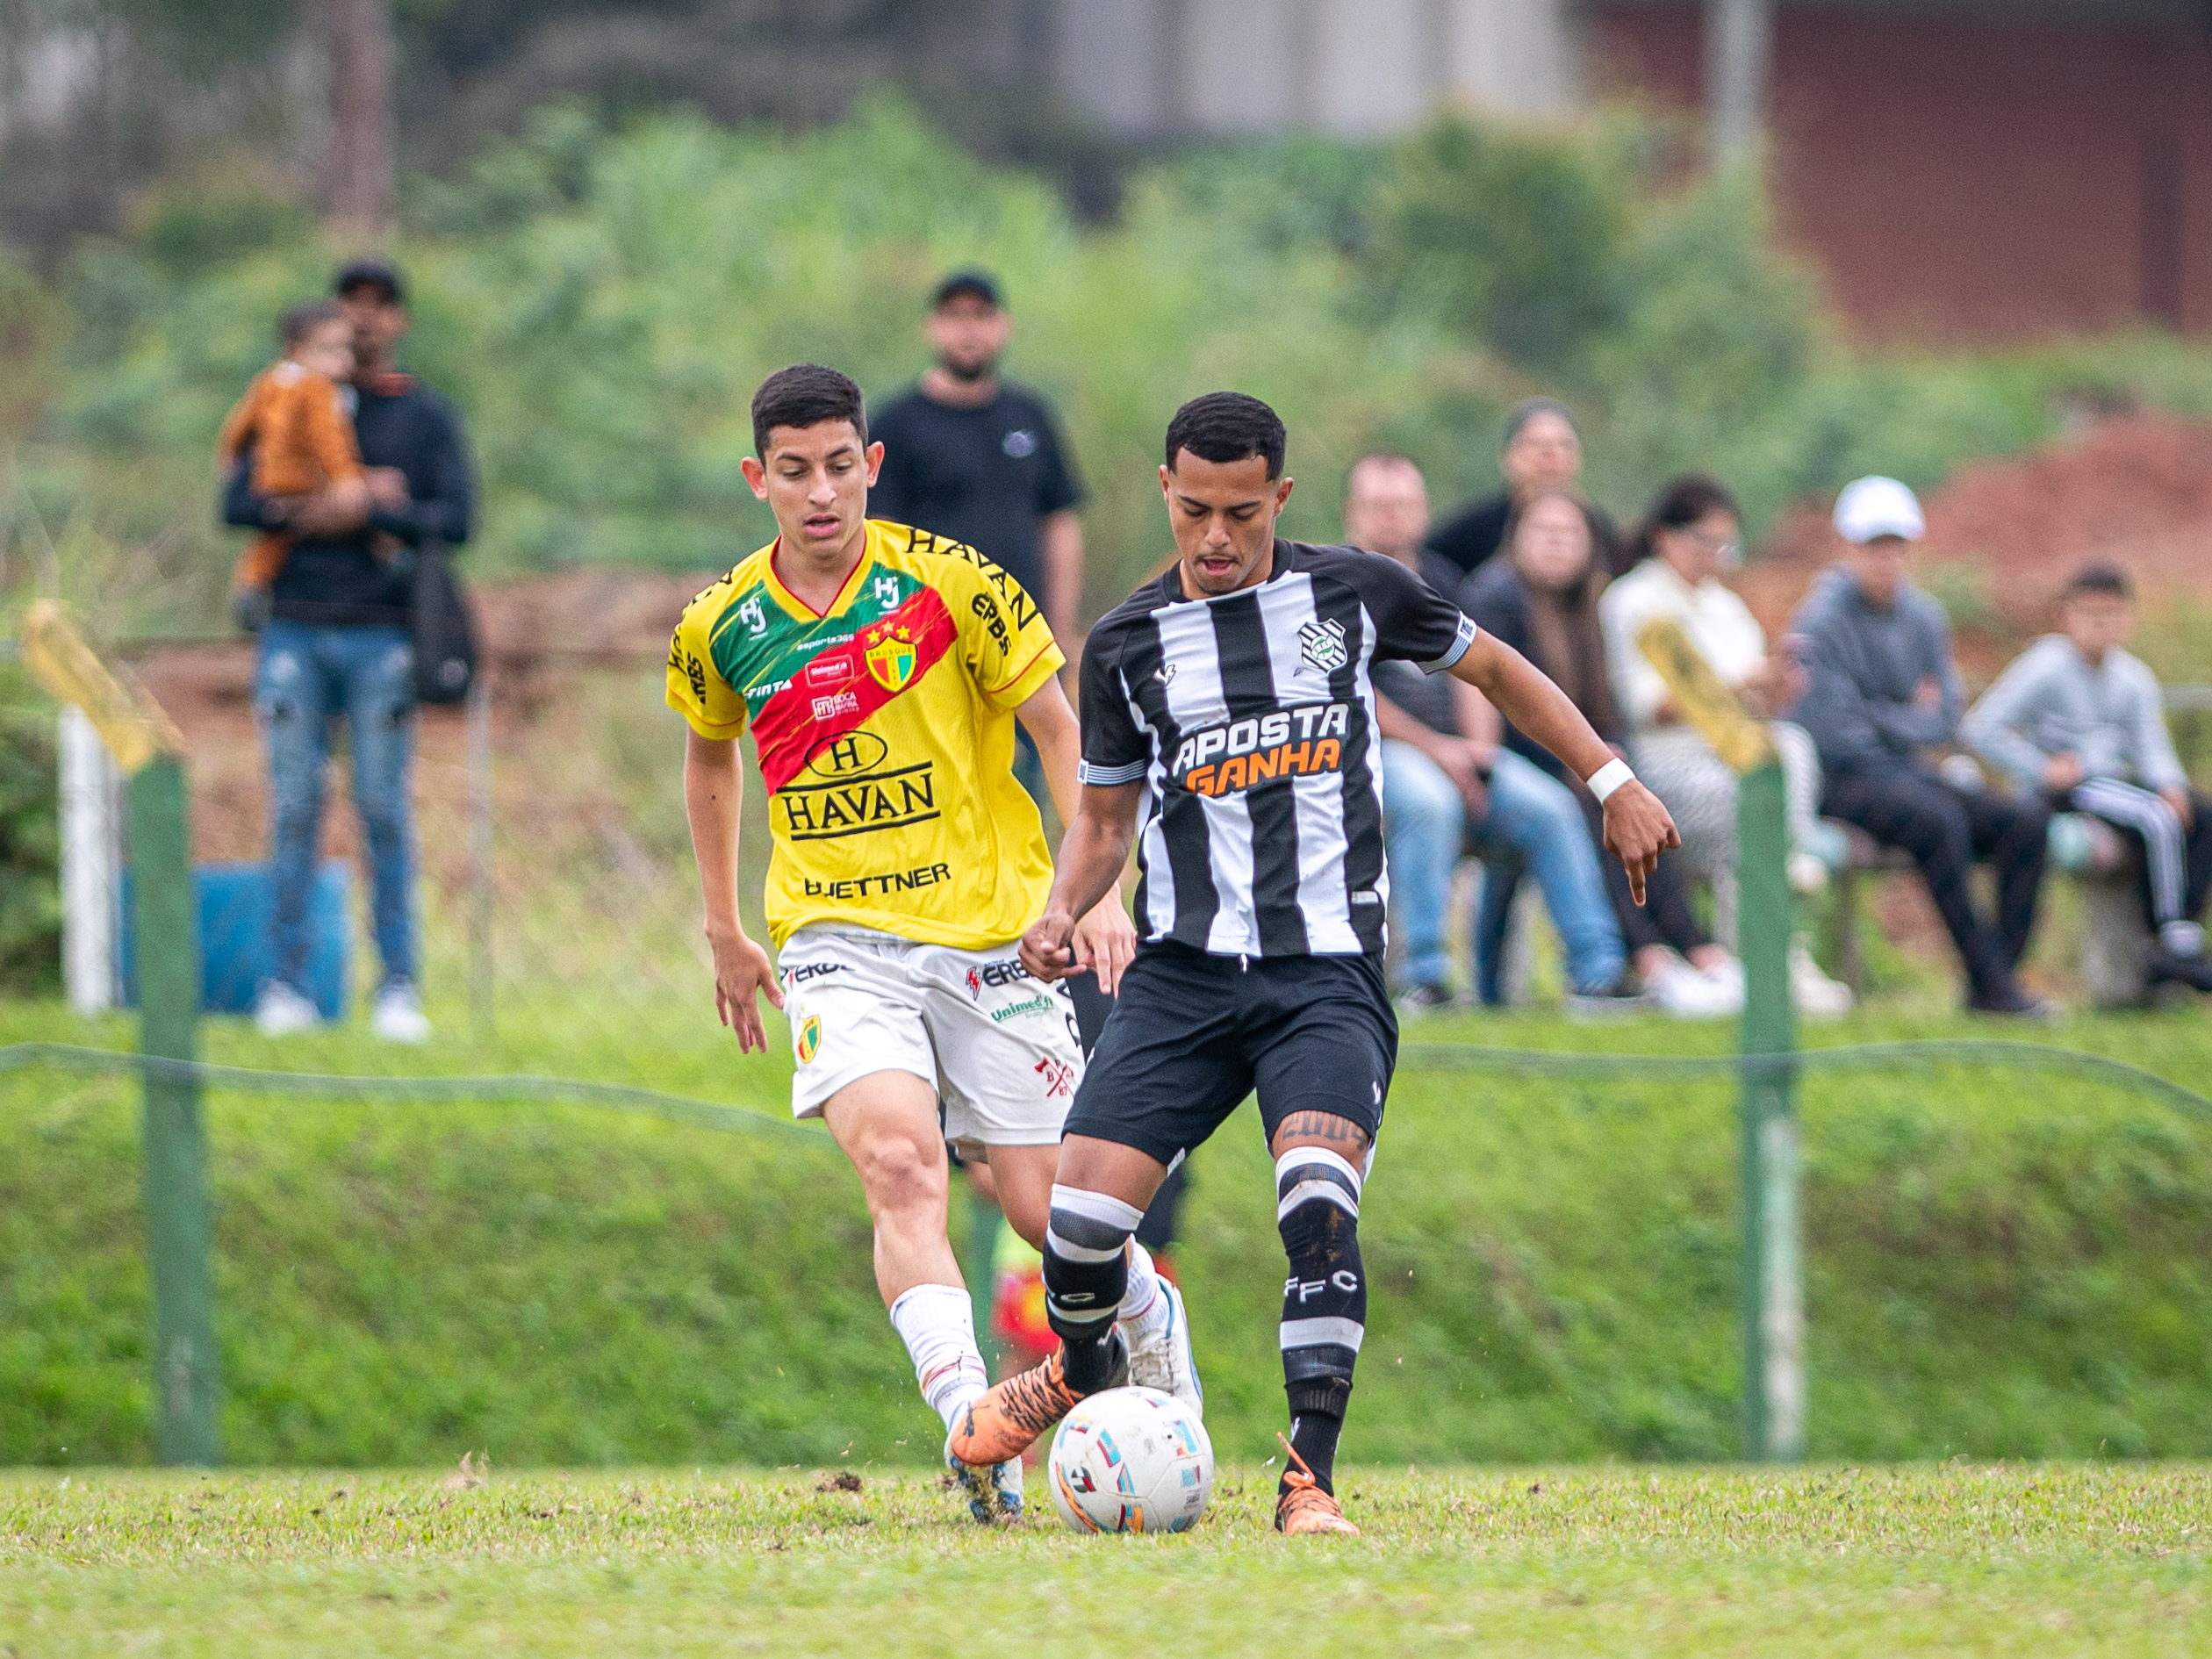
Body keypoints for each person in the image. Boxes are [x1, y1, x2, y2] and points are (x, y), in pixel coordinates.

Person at [946, 392, 1679, 1537]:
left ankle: (1307, 1481)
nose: (1219, 537)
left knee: (1317, 1201)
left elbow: (1499, 672)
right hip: (1183, 980)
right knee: (1077, 1229)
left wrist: (1610, 779)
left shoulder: (1351, 592)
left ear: (1280, 498)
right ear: (1166, 494)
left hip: (1324, 976)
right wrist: (1059, 910)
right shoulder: (1130, 646)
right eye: (1196, 511)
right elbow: (1100, 823)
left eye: (1243, 512)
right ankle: (1084, 1375)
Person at [665, 364, 1189, 1528]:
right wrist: (722, 923)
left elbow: (1065, 733)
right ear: (760, 480)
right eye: (792, 472)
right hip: (837, 942)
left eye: (838, 466)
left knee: (1055, 1218)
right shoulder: (723, 627)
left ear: (872, 466)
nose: (818, 493)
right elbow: (710, 757)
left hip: (993, 936)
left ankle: (1161, 1362)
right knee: (899, 1164)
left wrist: (1098, 887)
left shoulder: (957, 586)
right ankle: (975, 1426)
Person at [222, 257, 474, 1044]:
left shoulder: (426, 415)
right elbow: (236, 499)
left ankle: (398, 987)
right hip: (293, 624)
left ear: (398, 319)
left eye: (380, 305)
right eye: (350, 304)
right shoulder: (288, 394)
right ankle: (284, 984)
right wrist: (330, 507)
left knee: (383, 810)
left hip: (384, 635)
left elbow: (456, 519)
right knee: (293, 807)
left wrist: (369, 507)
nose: (364, 319)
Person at [1345, 452, 1640, 1014]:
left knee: (1551, 807)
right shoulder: (1332, 583)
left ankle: (1597, 975)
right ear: (1351, 512)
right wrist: (1441, 752)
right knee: (1429, 805)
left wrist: (1480, 752)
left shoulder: (1442, 578)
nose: (1392, 517)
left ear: (1424, 511)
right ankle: (1425, 978)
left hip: (1460, 755)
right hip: (1378, 756)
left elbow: (1477, 674)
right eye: (1378, 506)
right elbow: (1352, 694)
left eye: (1403, 505)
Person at [1462, 488, 1742, 1017]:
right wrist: (1587, 764)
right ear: (1515, 540)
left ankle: (1697, 951)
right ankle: (1646, 959)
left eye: (1569, 534)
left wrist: (1612, 760)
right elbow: (1500, 705)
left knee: (1637, 793)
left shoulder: (1588, 604)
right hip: (1521, 763)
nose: (1555, 544)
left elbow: (1605, 707)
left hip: (1580, 760)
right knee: (1600, 803)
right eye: (1542, 532)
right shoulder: (1495, 598)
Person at [1788, 476, 2055, 1018]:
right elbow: (1834, 733)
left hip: (1908, 773)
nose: (1885, 558)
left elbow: (1944, 719)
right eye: (1872, 545)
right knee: (1937, 820)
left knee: (2026, 825)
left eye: (1895, 545)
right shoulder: (1820, 620)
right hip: (1842, 781)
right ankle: (1996, 987)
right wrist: (1907, 714)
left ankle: (1994, 981)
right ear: (1846, 547)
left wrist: (1882, 716)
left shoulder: (1923, 617)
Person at [1600, 474, 1854, 1016]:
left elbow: (1754, 712)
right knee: (1751, 807)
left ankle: (1781, 948)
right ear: (1666, 538)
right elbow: (1646, 705)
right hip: (1669, 767)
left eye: (1725, 544)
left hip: (1736, 758)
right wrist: (1735, 686)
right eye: (1704, 541)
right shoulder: (1634, 602)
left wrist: (1771, 690)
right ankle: (1761, 958)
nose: (1715, 556)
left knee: (1791, 746)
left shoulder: (1726, 606)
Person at [1964, 562, 2212, 992]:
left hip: (2114, 784)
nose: (2100, 626)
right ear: (2068, 616)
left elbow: (2150, 743)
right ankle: (2171, 942)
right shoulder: (2045, 666)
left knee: (2198, 813)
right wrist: (2039, 767)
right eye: (2090, 615)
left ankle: (2180, 931)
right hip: (2066, 790)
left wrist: (2171, 783)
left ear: (2127, 618)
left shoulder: (2133, 677)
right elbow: (1981, 727)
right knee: (2155, 817)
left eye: (2110, 615)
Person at [870, 270, 1085, 686]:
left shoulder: (1030, 415)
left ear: (1003, 326)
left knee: (1044, 749)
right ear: (931, 327)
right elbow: (880, 537)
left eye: (981, 315)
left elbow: (1060, 522)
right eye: (954, 316)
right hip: (931, 646)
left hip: (1026, 644)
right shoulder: (897, 424)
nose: (968, 329)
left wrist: (1060, 631)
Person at [215, 301, 373, 631]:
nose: (343, 359)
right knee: (361, 505)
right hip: (304, 478)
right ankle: (389, 554)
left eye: (345, 348)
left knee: (269, 545)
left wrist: (229, 453)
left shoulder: (272, 381)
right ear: (298, 350)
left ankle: (250, 587)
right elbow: (330, 441)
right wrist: (347, 479)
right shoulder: (318, 390)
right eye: (330, 350)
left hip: (270, 479)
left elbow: (241, 422)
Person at [1425, 398, 1627, 580]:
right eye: (1536, 444)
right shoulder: (1470, 530)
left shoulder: (1602, 532)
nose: (1552, 456)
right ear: (1507, 456)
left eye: (1564, 445)